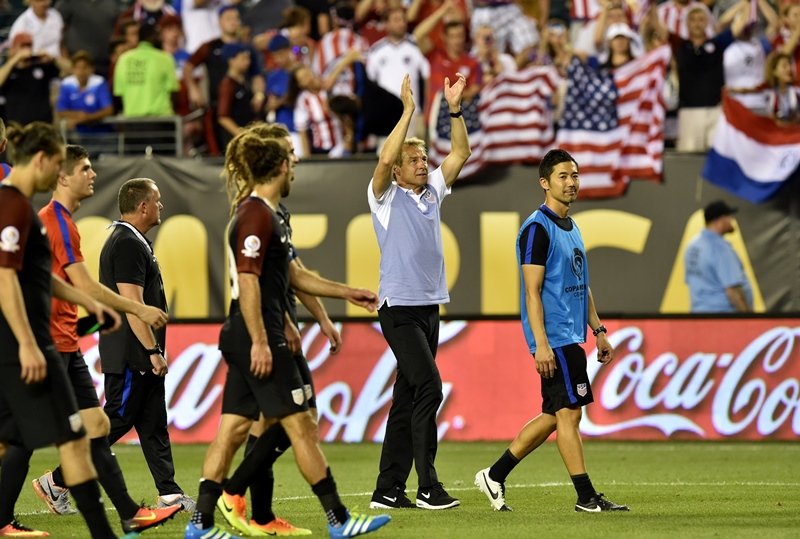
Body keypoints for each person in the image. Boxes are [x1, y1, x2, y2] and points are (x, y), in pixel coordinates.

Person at [184, 130, 391, 539]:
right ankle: (339, 520)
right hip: (255, 333)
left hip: (247, 331)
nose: (294, 165)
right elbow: (248, 282)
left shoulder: (268, 215)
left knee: (233, 430)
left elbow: (294, 275)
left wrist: (346, 293)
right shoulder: (255, 216)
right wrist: (262, 339)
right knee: (300, 425)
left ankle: (200, 524)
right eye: (291, 160)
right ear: (280, 166)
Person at [28, 145, 179, 535]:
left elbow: (60, 284)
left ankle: (136, 508)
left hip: (66, 341)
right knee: (25, 436)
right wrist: (132, 315)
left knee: (102, 424)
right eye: (85, 168)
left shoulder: (70, 224)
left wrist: (97, 314)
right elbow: (84, 285)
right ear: (62, 175)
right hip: (54, 344)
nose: (93, 174)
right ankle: (54, 487)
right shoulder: (59, 222)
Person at [474, 148, 629, 514]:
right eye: (563, 176)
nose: (571, 182)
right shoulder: (536, 229)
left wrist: (599, 330)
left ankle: (494, 475)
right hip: (555, 337)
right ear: (544, 183)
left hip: (571, 334)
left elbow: (582, 283)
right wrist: (540, 344)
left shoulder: (572, 227)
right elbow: (531, 291)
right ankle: (586, 497)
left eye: (574, 176)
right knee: (569, 415)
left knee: (555, 414)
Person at [0, 121, 119, 539]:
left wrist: (89, 302)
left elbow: (35, 275)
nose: (59, 174)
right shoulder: (12, 206)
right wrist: (30, 345)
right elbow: (6, 278)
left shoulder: (21, 207)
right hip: (25, 347)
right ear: (41, 159)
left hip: (21, 345)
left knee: (16, 438)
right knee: (72, 439)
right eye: (57, 163)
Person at [367, 72, 471, 511]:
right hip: (399, 308)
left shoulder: (432, 193)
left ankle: (388, 489)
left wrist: (453, 110)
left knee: (407, 397)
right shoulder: (383, 197)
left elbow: (461, 152)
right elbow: (385, 156)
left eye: (424, 159)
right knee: (430, 386)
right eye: (414, 160)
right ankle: (427, 485)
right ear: (396, 169)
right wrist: (408, 111)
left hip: (429, 307)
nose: (423, 164)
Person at [98, 177, 195, 512]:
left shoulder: (132, 240)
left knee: (153, 422)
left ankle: (169, 492)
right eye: (157, 200)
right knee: (117, 420)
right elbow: (132, 304)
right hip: (130, 354)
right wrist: (152, 351)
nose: (161, 206)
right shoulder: (126, 243)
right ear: (143, 206)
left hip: (137, 352)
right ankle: (59, 480)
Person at [684, 200, 753, 313]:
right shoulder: (720, 248)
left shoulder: (692, 246)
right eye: (728, 216)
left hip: (697, 316)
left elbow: (692, 281)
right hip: (723, 318)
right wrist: (749, 320)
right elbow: (733, 290)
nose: (732, 220)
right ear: (720, 220)